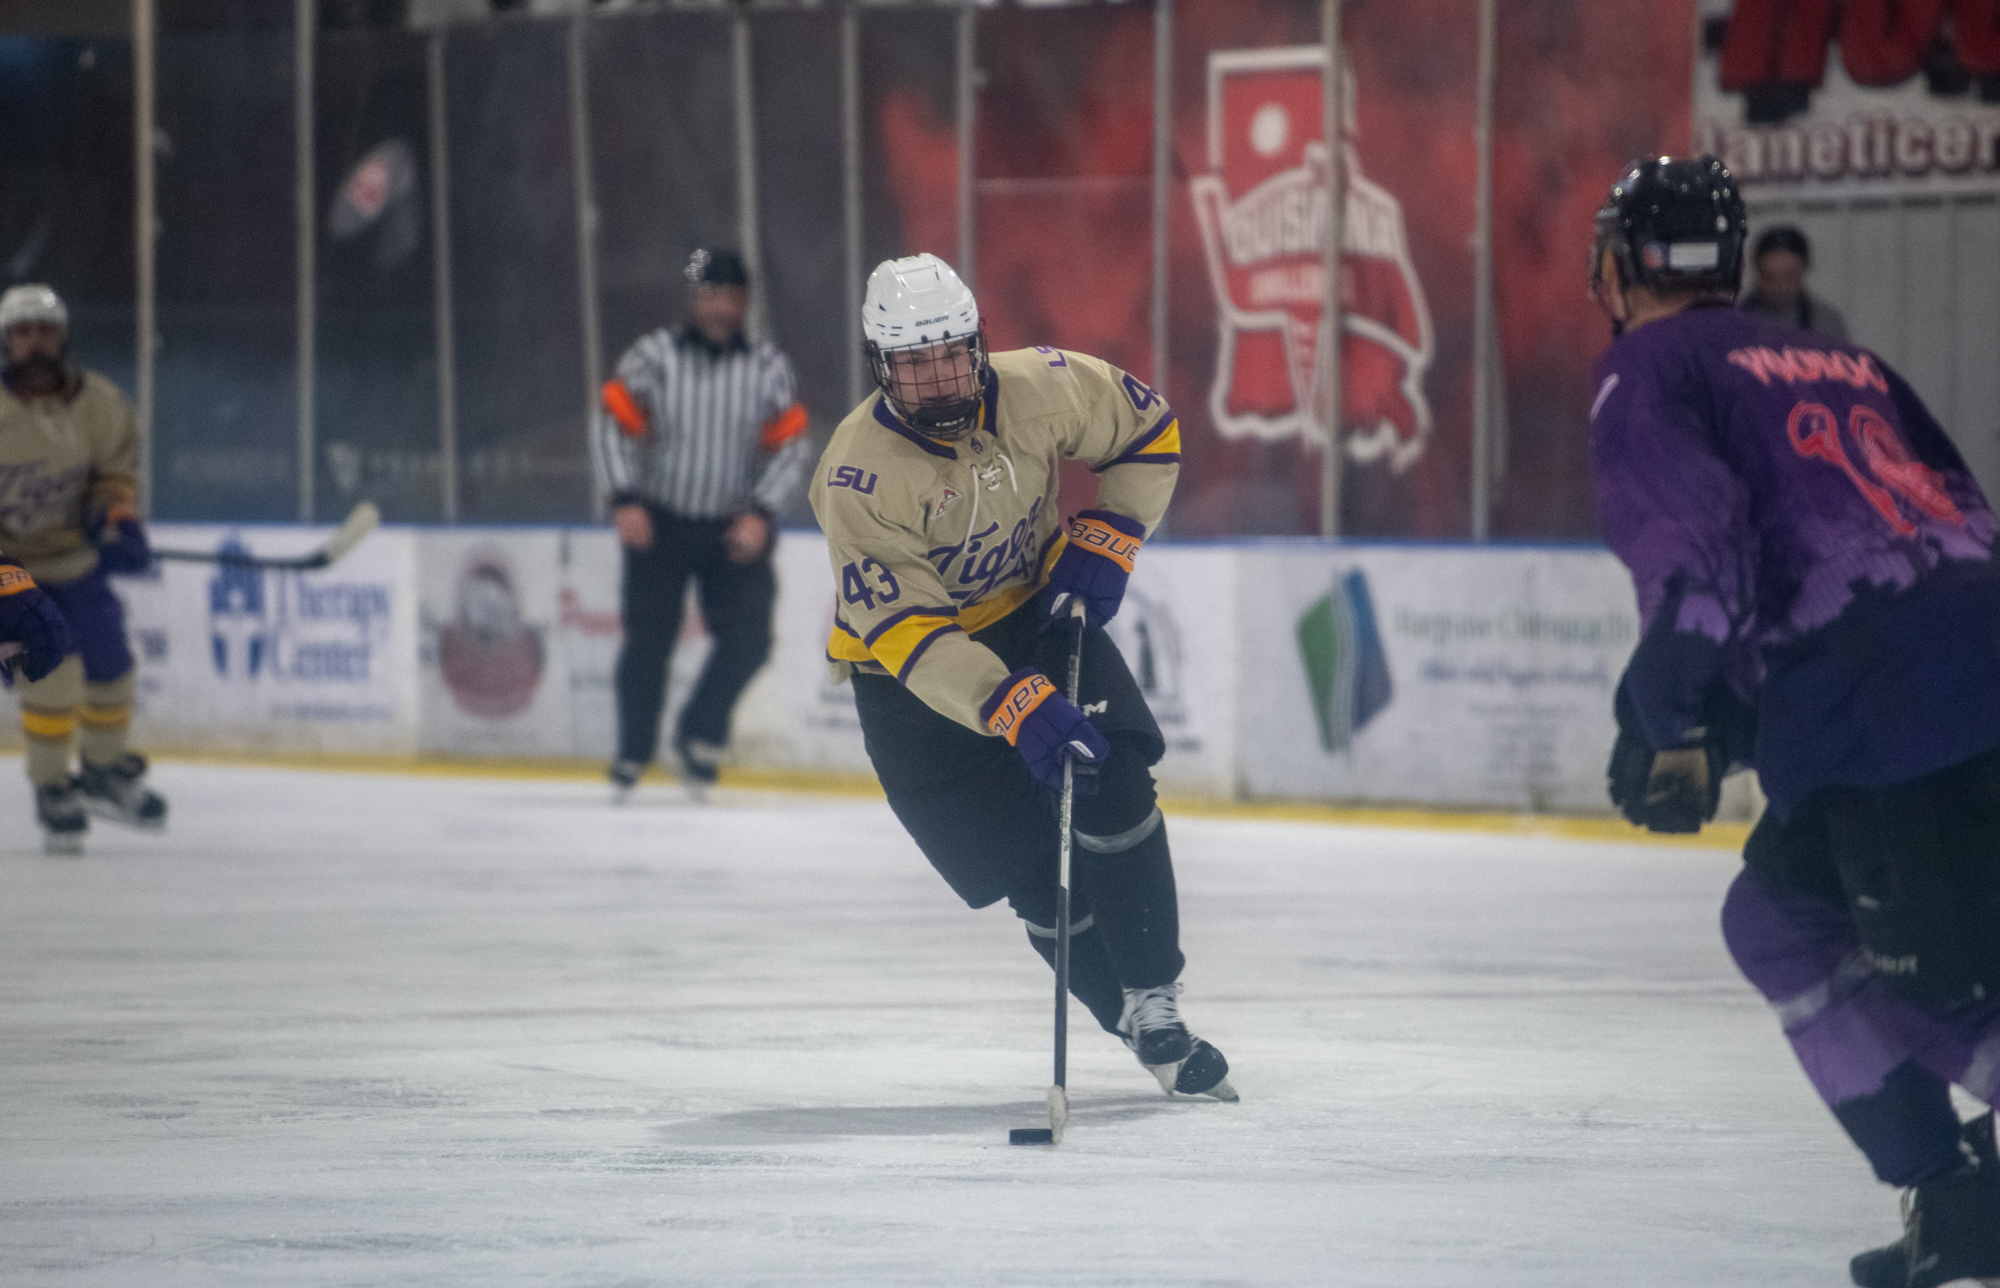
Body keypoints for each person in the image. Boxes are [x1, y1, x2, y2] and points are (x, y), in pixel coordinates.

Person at [1587, 156, 2000, 1288]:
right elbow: (1953, 507)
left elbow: (1699, 560)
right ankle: (1956, 1201)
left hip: (1881, 712)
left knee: (1931, 978)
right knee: (1775, 912)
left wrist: (1664, 718)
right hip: (1963, 668)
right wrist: (1718, 727)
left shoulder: (1645, 367)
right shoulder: (1841, 356)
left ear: (1620, 266)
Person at [809, 252, 1235, 1102]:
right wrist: (1003, 700)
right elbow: (909, 633)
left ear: (977, 342)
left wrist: (1114, 530)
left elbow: (1147, 432)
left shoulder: (1045, 385)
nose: (936, 380)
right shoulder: (855, 475)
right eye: (912, 364)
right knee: (1031, 874)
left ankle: (1158, 1004)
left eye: (949, 354)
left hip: (1040, 615)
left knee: (1114, 782)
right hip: (911, 682)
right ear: (881, 366)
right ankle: (1124, 1016)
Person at [588, 249, 811, 798]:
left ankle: (698, 736)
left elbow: (791, 446)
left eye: (724, 293)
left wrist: (762, 511)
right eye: (704, 292)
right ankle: (633, 753)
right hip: (660, 521)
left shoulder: (767, 368)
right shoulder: (653, 356)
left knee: (751, 638)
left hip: (732, 526)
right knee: (648, 642)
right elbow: (612, 421)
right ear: (692, 298)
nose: (714, 303)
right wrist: (624, 497)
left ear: (742, 301)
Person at [0, 283, 167, 854]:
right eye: (22, 333)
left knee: (111, 666)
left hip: (72, 557)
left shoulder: (102, 405)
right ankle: (52, 787)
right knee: (53, 669)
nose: (35, 342)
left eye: (44, 330)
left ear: (63, 336)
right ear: (7, 342)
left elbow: (113, 480)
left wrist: (117, 519)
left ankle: (99, 772)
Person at [1738, 224, 1849, 342]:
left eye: (1789, 276)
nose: (1780, 286)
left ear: (1804, 271)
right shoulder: (1735, 318)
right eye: (1770, 276)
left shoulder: (1826, 323)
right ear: (1756, 272)